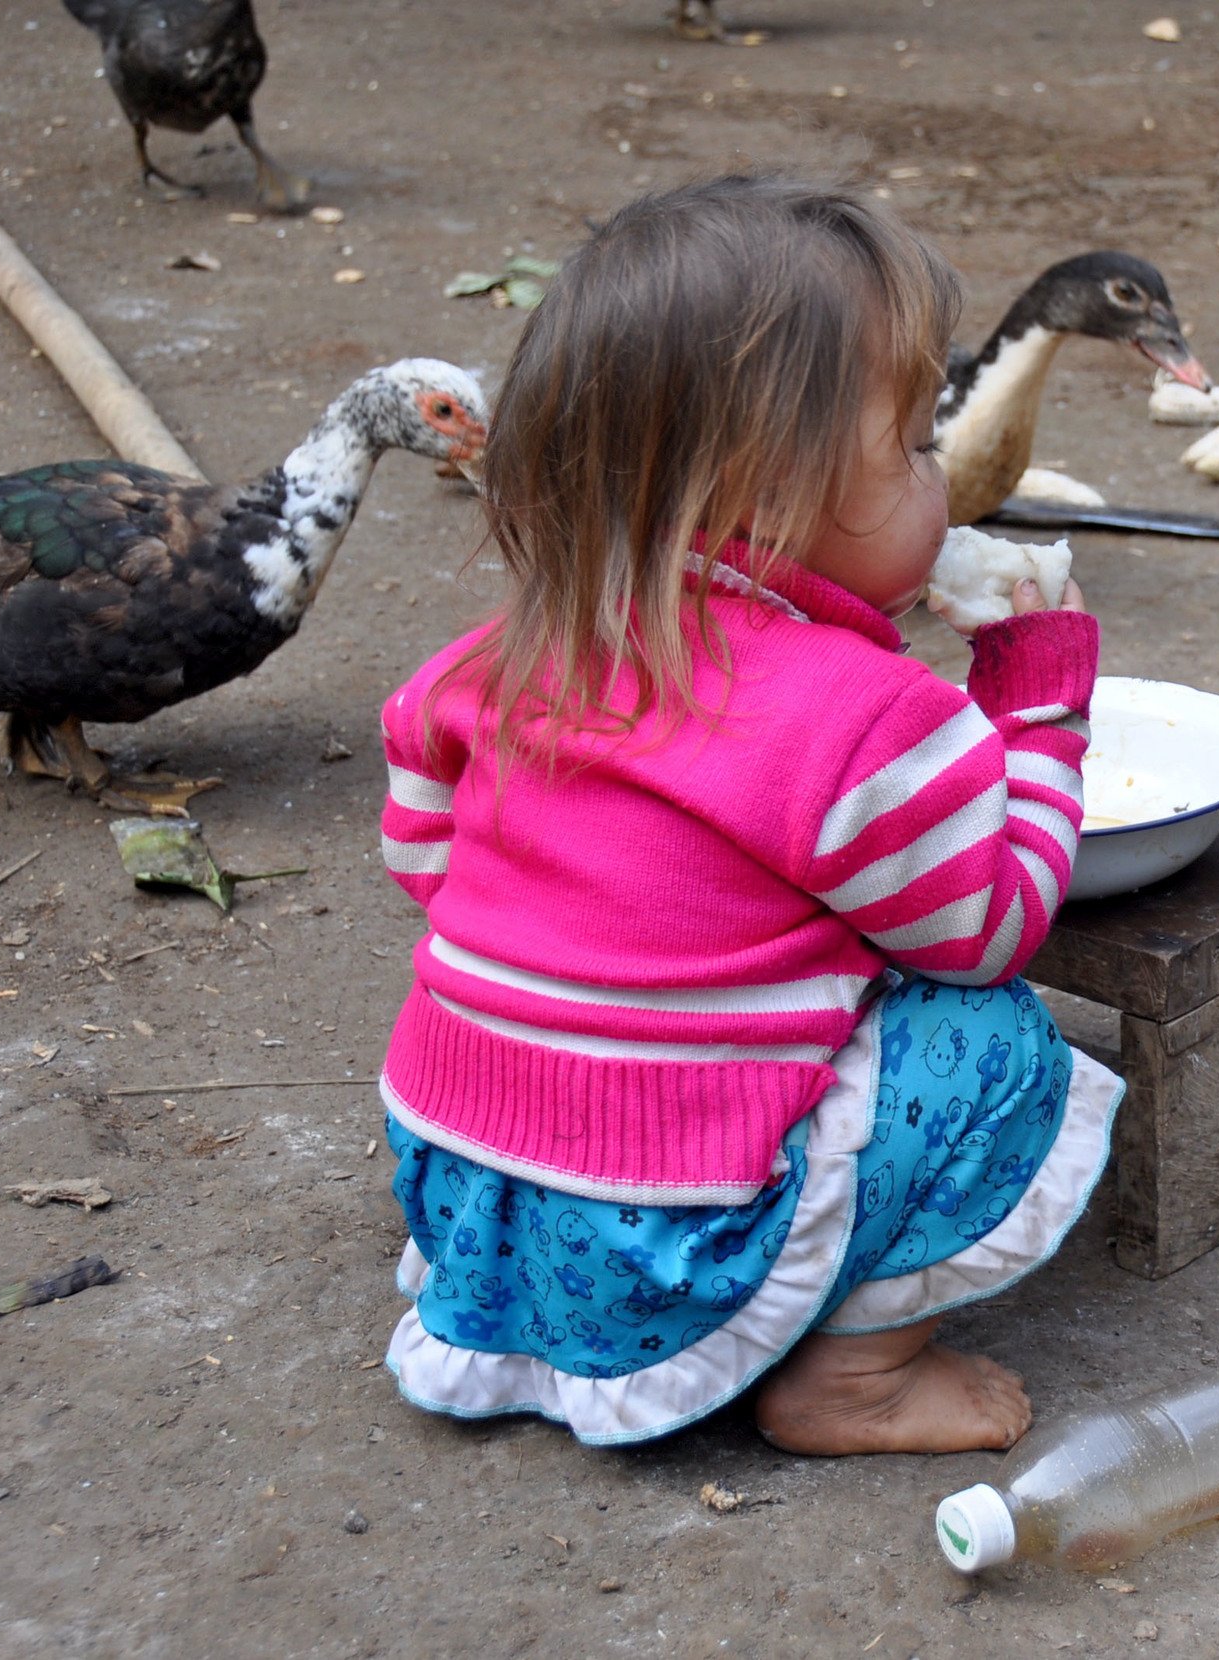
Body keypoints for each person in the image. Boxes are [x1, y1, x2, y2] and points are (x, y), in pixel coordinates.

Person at [372, 175, 1120, 1454]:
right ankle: (850, 1376)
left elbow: (426, 861)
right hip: (681, 1233)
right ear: (769, 495)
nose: (946, 481)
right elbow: (988, 927)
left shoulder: (488, 660)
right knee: (992, 1040)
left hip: (472, 1187)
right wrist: (1036, 710)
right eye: (919, 448)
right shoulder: (871, 719)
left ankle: (530, 1291)